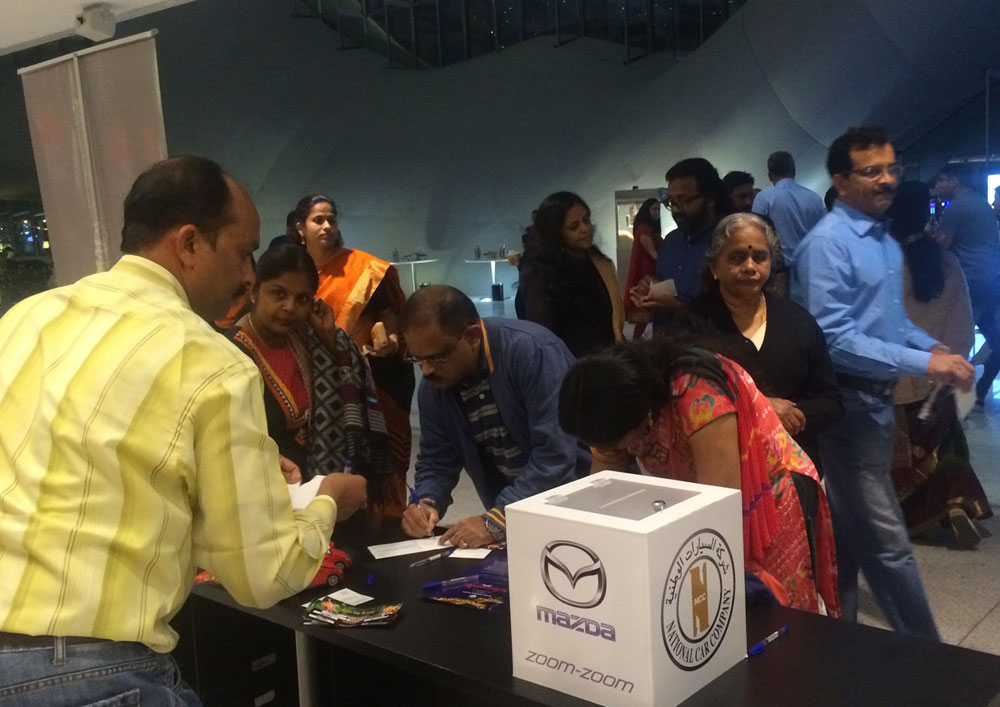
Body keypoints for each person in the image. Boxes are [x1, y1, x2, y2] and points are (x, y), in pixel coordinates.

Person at [0, 156, 367, 704]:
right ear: (190, 243)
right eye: (243, 251)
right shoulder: (211, 360)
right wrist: (327, 503)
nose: (249, 275)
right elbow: (262, 574)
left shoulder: (25, 320)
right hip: (91, 672)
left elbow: (99, 471)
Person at [792, 126, 974, 639]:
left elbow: (888, 323)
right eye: (872, 171)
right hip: (848, 405)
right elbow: (832, 339)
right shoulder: (827, 245)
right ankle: (932, 663)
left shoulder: (883, 242)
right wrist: (921, 364)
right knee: (889, 544)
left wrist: (928, 348)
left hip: (877, 404)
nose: (888, 179)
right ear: (841, 180)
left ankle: (841, 641)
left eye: (893, 168)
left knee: (850, 535)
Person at [558, 340, 840, 616]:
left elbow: (717, 508)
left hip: (764, 503)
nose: (609, 450)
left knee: (771, 615)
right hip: (703, 502)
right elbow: (602, 484)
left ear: (641, 417)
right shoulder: (617, 401)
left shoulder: (698, 392)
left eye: (612, 444)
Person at [400, 286, 590, 548]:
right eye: (417, 358)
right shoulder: (435, 387)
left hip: (582, 506)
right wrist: (426, 501)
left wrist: (496, 520)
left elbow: (555, 456)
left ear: (473, 336)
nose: (427, 370)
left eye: (437, 357)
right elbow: (436, 459)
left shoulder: (533, 352)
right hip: (516, 516)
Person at [670, 212, 842, 473]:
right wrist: (762, 410)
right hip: (721, 470)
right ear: (715, 267)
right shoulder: (691, 325)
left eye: (759, 257)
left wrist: (797, 416)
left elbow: (830, 401)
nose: (750, 266)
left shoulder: (798, 322)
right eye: (737, 257)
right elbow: (677, 399)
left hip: (793, 467)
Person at [227, 244, 397, 504]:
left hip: (324, 491)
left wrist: (329, 338)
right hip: (265, 497)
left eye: (302, 299)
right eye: (279, 294)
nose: (289, 307)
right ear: (255, 290)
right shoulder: (229, 351)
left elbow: (353, 384)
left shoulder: (308, 338)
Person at [887, 181, 993, 548]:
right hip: (939, 375)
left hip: (897, 380)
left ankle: (923, 511)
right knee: (946, 444)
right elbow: (963, 320)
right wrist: (954, 361)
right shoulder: (945, 260)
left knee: (905, 460)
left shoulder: (882, 263)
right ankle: (955, 505)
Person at [293, 194, 414, 512]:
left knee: (377, 465)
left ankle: (386, 526)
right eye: (318, 220)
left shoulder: (365, 268)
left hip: (369, 381)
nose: (327, 226)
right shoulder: (295, 272)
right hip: (317, 386)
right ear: (300, 228)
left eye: (331, 219)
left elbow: (392, 316)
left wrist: (389, 339)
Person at [516, 191, 624, 357]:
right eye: (574, 226)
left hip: (607, 361)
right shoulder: (542, 273)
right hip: (569, 366)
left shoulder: (600, 263)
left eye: (586, 220)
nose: (585, 229)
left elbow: (612, 319)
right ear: (556, 233)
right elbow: (542, 334)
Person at [932, 164, 1000, 406]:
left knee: (957, 340)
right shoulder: (981, 202)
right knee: (995, 337)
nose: (937, 186)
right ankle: (980, 390)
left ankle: (956, 400)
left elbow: (942, 246)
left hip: (970, 282)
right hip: (991, 279)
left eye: (940, 180)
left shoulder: (957, 208)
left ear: (954, 180)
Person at [632, 157, 725, 330]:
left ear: (710, 199)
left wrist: (676, 307)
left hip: (708, 351)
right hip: (667, 346)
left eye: (684, 201)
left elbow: (731, 315)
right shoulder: (671, 241)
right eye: (671, 202)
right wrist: (651, 286)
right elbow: (666, 285)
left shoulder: (728, 243)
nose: (675, 210)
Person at [751, 150, 826, 254]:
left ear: (769, 175)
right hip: (809, 261)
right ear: (794, 171)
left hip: (779, 264)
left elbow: (755, 233)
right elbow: (822, 235)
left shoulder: (763, 198)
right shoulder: (815, 198)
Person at [623, 198, 663, 339]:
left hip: (650, 270)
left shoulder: (648, 228)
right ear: (647, 210)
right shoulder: (644, 228)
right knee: (646, 306)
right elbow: (653, 253)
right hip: (646, 272)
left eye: (658, 209)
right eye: (654, 209)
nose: (657, 212)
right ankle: (637, 340)